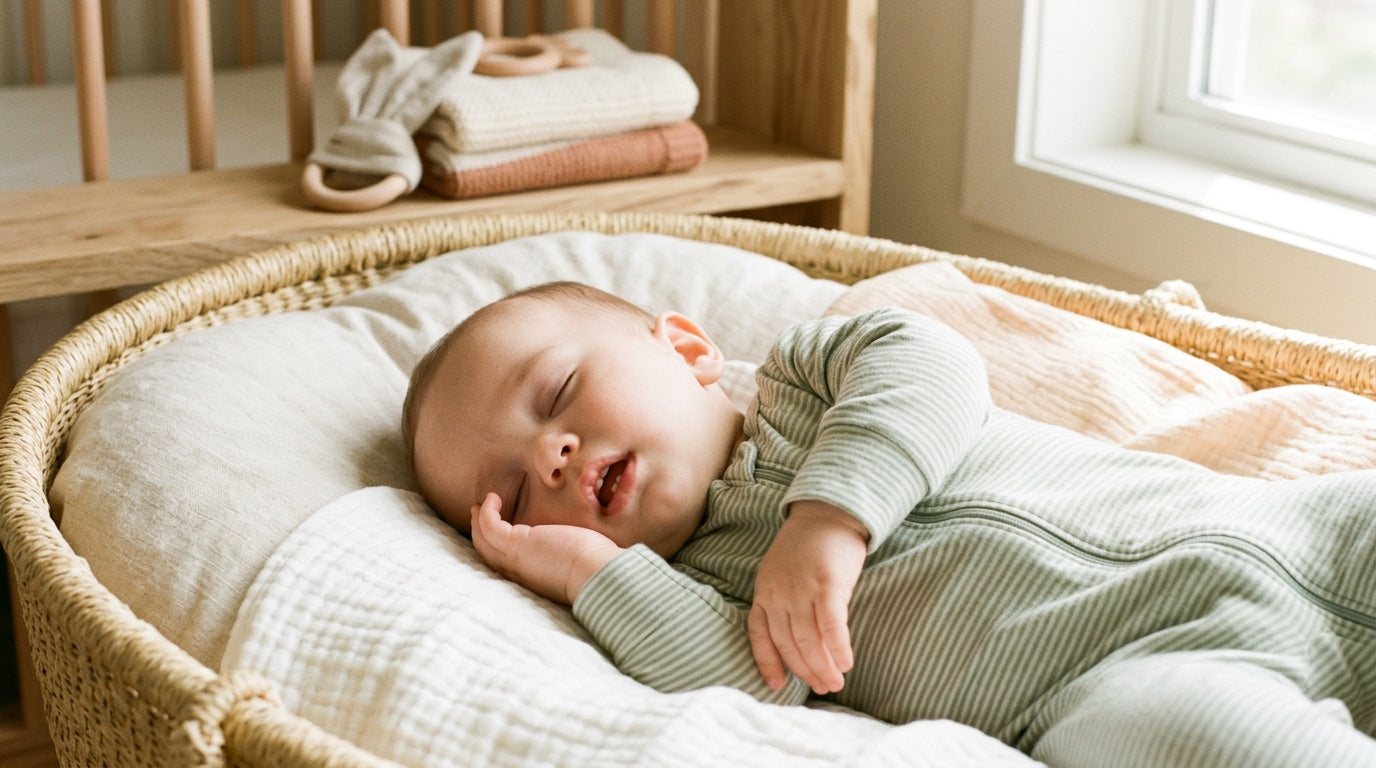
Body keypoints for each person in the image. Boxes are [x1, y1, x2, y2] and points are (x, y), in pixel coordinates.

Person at [403, 280, 1376, 767]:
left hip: (1304, 529)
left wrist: (828, 518)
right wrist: (583, 572)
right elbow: (757, 683)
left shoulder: (802, 383)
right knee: (1173, 737)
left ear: (688, 348)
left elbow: (934, 367)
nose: (548, 458)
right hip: (1137, 675)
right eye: (512, 496)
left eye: (557, 392)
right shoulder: (700, 592)